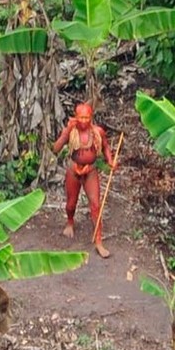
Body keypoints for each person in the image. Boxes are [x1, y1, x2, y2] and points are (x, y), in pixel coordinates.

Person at [53, 103, 116, 259]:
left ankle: (99, 240)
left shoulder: (97, 132)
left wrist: (110, 160)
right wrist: (67, 131)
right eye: (80, 117)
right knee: (70, 204)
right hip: (73, 171)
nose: (83, 121)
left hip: (90, 171)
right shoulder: (71, 132)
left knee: (95, 205)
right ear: (75, 117)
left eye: (87, 117)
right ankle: (70, 222)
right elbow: (56, 148)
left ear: (91, 117)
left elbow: (105, 147)